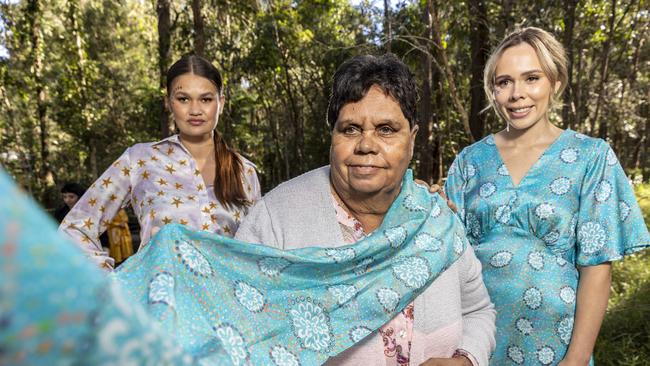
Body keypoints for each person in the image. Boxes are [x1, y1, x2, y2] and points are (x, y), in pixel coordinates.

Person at [234, 54, 496, 366]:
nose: (366, 145)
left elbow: (478, 310)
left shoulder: (436, 220)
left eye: (386, 129)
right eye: (351, 129)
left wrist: (466, 360)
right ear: (333, 136)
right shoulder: (276, 219)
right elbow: (239, 333)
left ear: (411, 139)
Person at [444, 27, 650, 365]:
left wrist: (576, 360)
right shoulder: (470, 160)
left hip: (556, 346)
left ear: (554, 82)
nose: (516, 94)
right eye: (504, 82)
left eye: (531, 78)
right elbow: (450, 259)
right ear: (493, 91)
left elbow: (597, 269)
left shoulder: (591, 156)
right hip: (477, 344)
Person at [59, 55, 261, 269]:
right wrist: (109, 281)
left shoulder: (244, 171)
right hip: (159, 299)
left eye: (206, 99)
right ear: (168, 102)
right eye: (183, 98)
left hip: (227, 300)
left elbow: (259, 250)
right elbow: (75, 227)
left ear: (221, 103)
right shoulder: (139, 159)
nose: (195, 110)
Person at [0, 169, 194, 365]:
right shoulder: (59, 215)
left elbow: (98, 234)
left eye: (71, 196)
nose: (67, 200)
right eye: (64, 196)